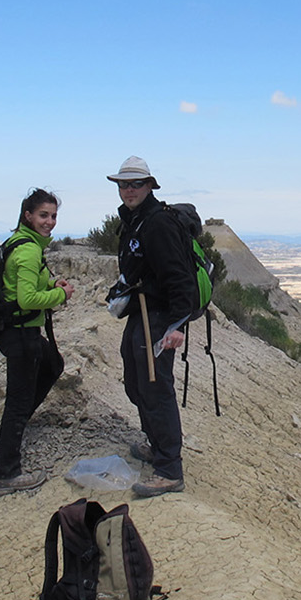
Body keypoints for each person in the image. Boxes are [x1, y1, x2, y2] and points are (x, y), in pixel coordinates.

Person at [106, 156, 198, 497]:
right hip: (141, 311)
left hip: (158, 316)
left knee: (156, 387)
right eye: (123, 184)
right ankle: (155, 444)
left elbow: (180, 279)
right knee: (135, 382)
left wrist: (177, 326)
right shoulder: (135, 220)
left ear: (149, 186)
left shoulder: (157, 223)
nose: (128, 190)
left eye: (135, 184)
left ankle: (169, 469)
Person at [0, 188, 75, 496]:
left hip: (20, 331)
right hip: (20, 334)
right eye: (44, 215)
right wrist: (61, 295)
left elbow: (25, 285)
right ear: (28, 215)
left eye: (53, 216)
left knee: (53, 364)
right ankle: (7, 474)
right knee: (17, 400)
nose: (50, 222)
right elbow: (27, 299)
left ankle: (12, 434)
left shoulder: (21, 242)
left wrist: (52, 282)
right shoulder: (28, 251)